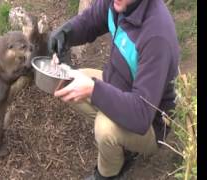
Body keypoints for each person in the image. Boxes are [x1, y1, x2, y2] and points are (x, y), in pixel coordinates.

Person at [48, 0, 179, 179]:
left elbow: (141, 114)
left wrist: (94, 90)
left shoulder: (156, 36)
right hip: (119, 88)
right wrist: (65, 33)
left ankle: (109, 174)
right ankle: (121, 143)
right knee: (68, 82)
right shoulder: (118, 3)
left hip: (151, 123)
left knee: (105, 129)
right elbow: (90, 21)